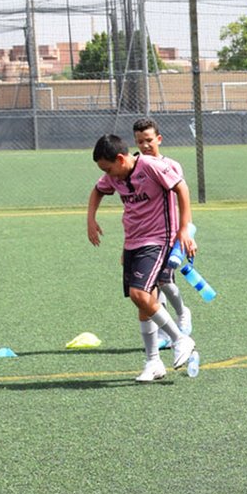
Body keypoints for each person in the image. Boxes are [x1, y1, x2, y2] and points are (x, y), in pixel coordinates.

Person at [87, 133, 198, 382]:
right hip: (132, 241)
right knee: (144, 303)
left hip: (158, 240)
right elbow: (97, 191)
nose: (108, 176)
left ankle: (180, 339)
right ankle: (153, 362)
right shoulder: (114, 176)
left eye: (108, 169)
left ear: (120, 158)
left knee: (139, 294)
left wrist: (184, 228)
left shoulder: (150, 166)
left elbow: (181, 187)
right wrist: (90, 219)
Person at [131, 118, 194, 338]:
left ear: (159, 139)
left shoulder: (171, 166)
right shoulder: (136, 167)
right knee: (153, 284)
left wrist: (187, 232)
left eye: (149, 140)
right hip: (146, 237)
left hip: (171, 234)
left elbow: (183, 200)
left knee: (165, 279)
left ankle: (182, 312)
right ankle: (164, 333)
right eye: (140, 141)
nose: (145, 145)